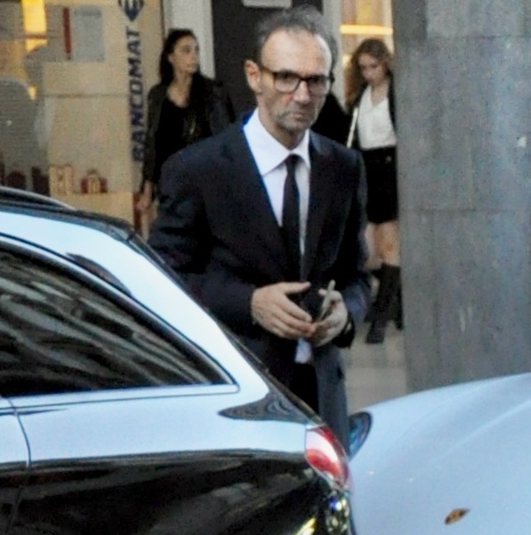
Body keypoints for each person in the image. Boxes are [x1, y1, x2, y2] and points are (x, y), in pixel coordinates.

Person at [151, 8, 368, 442]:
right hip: (237, 398)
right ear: (255, 76)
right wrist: (249, 302)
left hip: (323, 402)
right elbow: (161, 281)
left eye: (316, 80)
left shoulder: (343, 167)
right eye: (286, 78)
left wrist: (345, 314)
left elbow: (356, 277)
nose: (303, 95)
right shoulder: (199, 170)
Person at [136, 30, 233, 233]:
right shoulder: (158, 95)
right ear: (171, 57)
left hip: (204, 183)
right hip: (170, 185)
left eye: (196, 50)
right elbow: (153, 144)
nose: (193, 56)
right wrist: (147, 190)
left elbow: (224, 138)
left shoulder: (212, 93)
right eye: (186, 51)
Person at [346, 37, 400, 342]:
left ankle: (382, 313)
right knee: (370, 249)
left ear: (385, 64)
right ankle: (394, 300)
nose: (369, 73)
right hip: (369, 165)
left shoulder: (395, 91)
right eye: (364, 68)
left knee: (389, 241)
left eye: (373, 66)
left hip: (390, 163)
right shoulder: (360, 97)